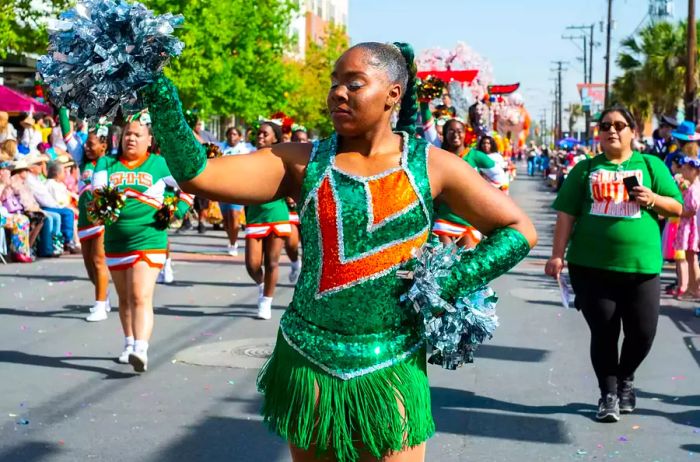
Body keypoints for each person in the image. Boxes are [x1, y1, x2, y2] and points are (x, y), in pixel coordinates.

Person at [141, 41, 536, 462]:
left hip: (392, 361)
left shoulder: (433, 166)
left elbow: (518, 231)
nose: (337, 93)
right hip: (309, 356)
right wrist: (159, 91)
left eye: (354, 83)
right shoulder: (302, 162)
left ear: (393, 94)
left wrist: (447, 282)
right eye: (334, 83)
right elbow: (197, 174)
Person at [545, 106, 683, 423]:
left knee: (643, 333)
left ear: (632, 131)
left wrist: (652, 199)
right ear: (599, 133)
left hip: (642, 266)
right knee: (604, 333)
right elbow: (566, 214)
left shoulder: (650, 165)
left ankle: (626, 378)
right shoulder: (585, 169)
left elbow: (677, 208)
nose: (612, 130)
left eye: (619, 125)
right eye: (605, 125)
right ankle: (608, 395)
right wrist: (557, 255)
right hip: (591, 266)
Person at [91, 114, 184, 371]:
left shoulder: (159, 164)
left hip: (150, 238)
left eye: (137, 134)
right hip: (116, 241)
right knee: (124, 297)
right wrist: (103, 203)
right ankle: (129, 341)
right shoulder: (106, 163)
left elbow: (189, 187)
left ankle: (141, 348)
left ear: (149, 139)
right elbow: (97, 194)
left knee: (140, 294)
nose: (131, 138)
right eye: (127, 134)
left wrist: (177, 211)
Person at [432, 119, 508, 248]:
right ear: (444, 134)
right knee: (443, 262)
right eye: (451, 131)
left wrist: (481, 192)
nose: (455, 134)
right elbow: (429, 130)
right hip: (444, 219)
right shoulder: (439, 154)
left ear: (465, 134)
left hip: (470, 221)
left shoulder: (474, 155)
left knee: (467, 263)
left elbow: (500, 177)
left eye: (459, 131)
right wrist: (424, 103)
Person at [243, 122, 292, 319]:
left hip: (277, 213)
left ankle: (266, 302)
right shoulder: (248, 157)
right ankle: (263, 285)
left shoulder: (282, 158)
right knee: (252, 265)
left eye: (265, 134)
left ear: (275, 138)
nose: (260, 136)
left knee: (272, 262)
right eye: (259, 133)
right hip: (255, 215)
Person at [78, 126, 112, 322]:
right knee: (90, 266)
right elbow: (68, 136)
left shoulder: (110, 163)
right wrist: (63, 104)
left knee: (98, 260)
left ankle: (99, 306)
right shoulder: (83, 162)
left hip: (101, 220)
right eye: (86, 144)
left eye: (91, 144)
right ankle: (103, 294)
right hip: (83, 221)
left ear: (103, 145)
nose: (87, 147)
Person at [25, 153, 79, 255]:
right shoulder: (31, 180)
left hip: (48, 205)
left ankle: (55, 244)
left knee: (62, 214)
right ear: (31, 168)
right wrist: (60, 206)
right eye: (38, 164)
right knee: (66, 213)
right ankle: (64, 242)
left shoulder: (37, 179)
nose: (41, 166)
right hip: (43, 206)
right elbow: (43, 199)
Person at [220, 126, 251, 256]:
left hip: (238, 186)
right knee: (226, 220)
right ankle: (231, 239)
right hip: (221, 187)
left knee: (234, 215)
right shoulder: (220, 147)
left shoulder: (246, 149)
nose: (232, 137)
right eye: (230, 134)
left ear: (239, 137)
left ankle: (233, 243)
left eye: (235, 134)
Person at [673, 156, 700, 298]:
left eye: (686, 169)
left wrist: (679, 211)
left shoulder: (695, 189)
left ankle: (695, 288)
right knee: (690, 258)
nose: (683, 170)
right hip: (688, 226)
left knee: (692, 258)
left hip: (690, 227)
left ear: (694, 171)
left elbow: (693, 209)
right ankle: (691, 287)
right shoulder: (692, 187)